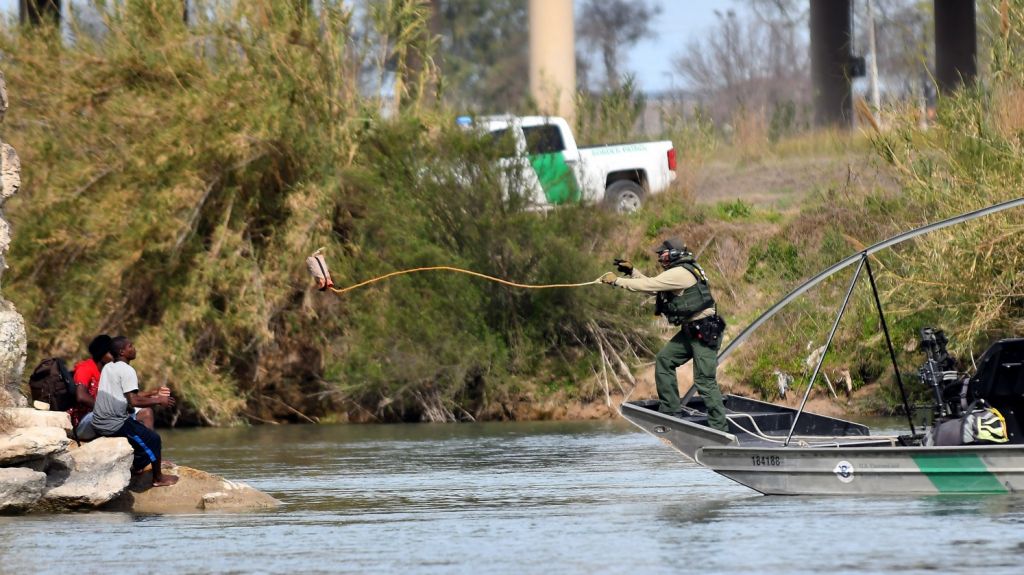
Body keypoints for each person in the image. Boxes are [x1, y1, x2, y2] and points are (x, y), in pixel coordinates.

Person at [600, 238, 729, 432]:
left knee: (704, 380)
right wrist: (632, 273)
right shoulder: (679, 272)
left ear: (675, 254)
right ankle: (670, 410)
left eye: (663, 253)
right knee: (665, 359)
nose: (660, 257)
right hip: (692, 331)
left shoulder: (680, 273)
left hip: (704, 332)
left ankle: (720, 428)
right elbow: (656, 289)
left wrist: (617, 281)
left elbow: (651, 286)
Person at [91, 336, 178, 487]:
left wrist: (153, 394)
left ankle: (137, 466)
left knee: (142, 433)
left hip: (99, 421)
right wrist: (159, 400)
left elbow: (126, 397)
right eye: (130, 346)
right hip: (113, 424)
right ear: (122, 351)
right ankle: (158, 479)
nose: (134, 348)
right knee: (154, 439)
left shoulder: (108, 367)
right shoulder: (127, 370)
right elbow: (134, 401)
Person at [71, 335, 156, 440]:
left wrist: (152, 394)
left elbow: (127, 397)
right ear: (102, 354)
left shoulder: (109, 370)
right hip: (85, 421)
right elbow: (81, 396)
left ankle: (151, 452)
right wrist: (106, 410)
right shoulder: (85, 369)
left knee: (146, 413)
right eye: (111, 353)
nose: (114, 356)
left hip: (107, 417)